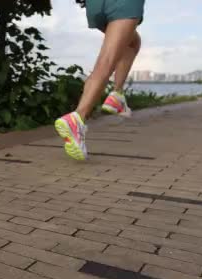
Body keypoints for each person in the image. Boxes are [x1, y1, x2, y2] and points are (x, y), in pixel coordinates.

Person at [55, 0, 145, 160]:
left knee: (132, 43)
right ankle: (77, 118)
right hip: (124, 5)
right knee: (106, 62)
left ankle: (117, 95)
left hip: (95, 6)